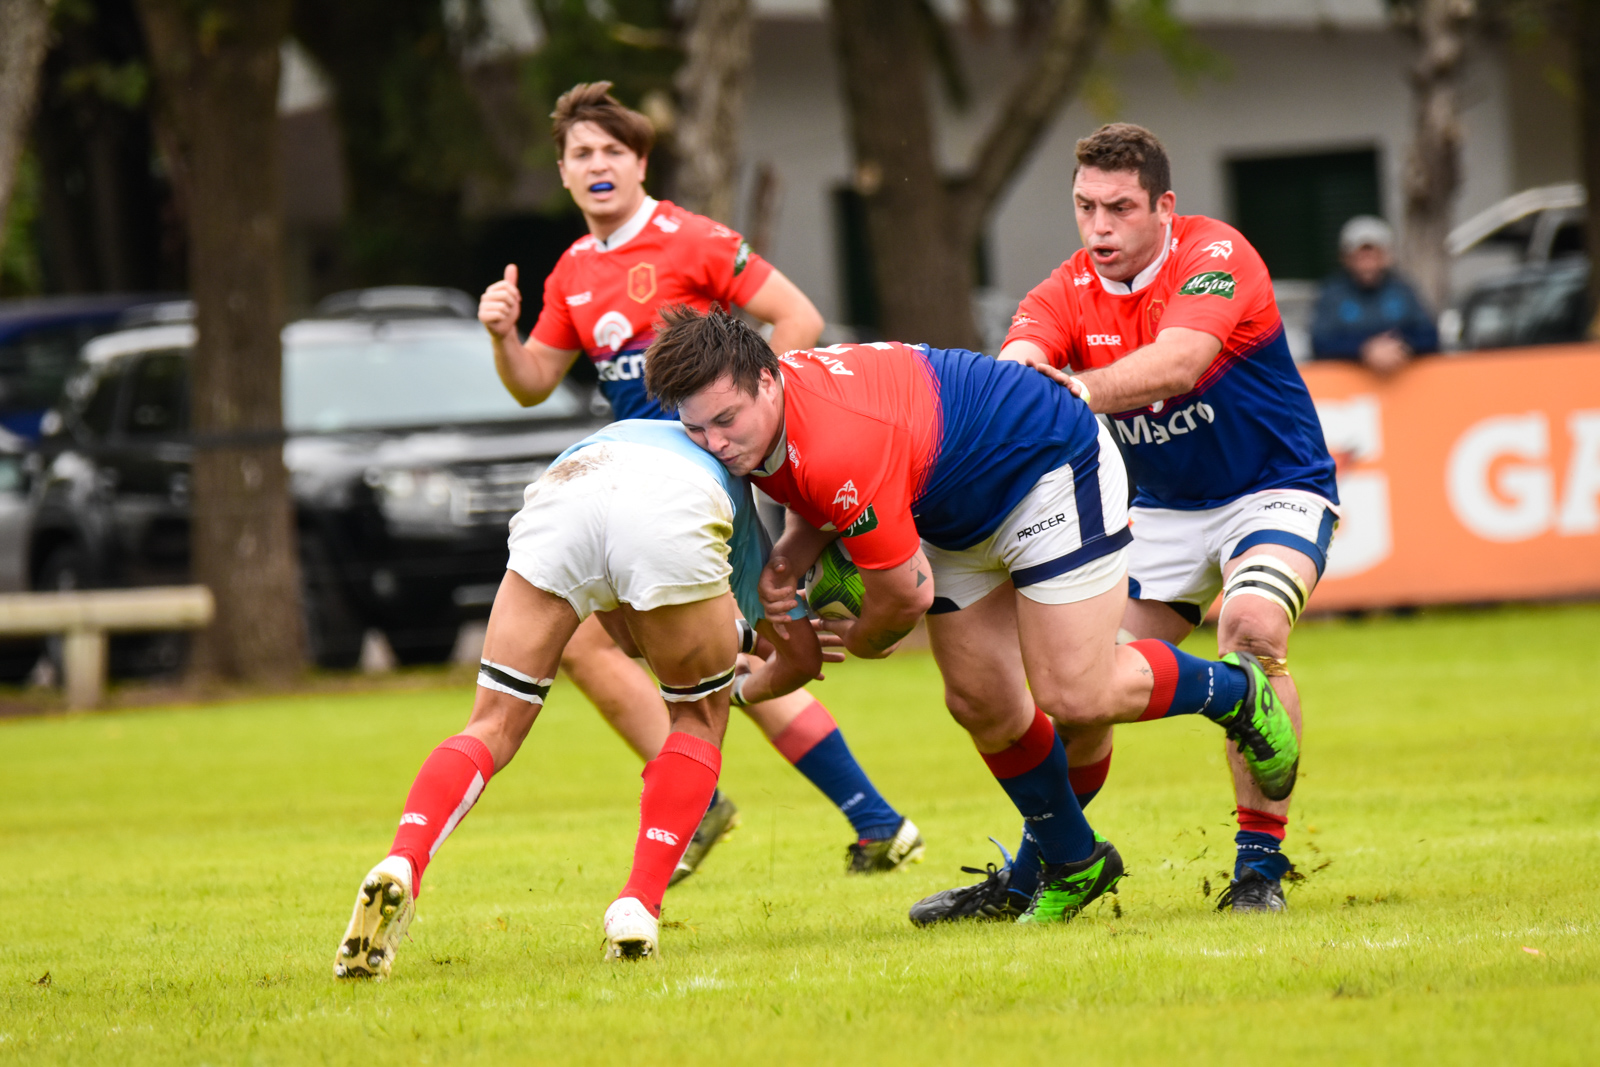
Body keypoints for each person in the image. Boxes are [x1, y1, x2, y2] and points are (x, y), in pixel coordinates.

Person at [642, 306, 1298, 926]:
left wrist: (863, 639)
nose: (714, 443)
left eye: (725, 420)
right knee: (980, 702)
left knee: (1076, 693)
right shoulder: (766, 417)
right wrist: (790, 555)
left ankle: (1237, 692)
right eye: (695, 429)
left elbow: (903, 596)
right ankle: (1074, 863)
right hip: (952, 502)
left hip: (1048, 464)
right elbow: (814, 487)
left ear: (767, 379)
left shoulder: (837, 441)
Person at [477, 82, 921, 880]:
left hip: (696, 481)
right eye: (582, 153)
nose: (599, 164)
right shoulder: (574, 270)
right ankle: (864, 816)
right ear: (563, 172)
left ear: (641, 163)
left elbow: (799, 318)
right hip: (636, 484)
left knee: (683, 643)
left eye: (614, 150)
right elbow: (534, 379)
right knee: (710, 645)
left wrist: (752, 428)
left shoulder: (690, 239)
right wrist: (504, 335)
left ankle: (720, 800)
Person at [335, 418, 832, 975]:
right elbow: (799, 656)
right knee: (697, 718)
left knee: (492, 723)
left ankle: (403, 859)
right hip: (670, 506)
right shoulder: (732, 477)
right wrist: (743, 680)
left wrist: (724, 639)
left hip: (567, 489)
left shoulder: (625, 431)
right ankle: (638, 904)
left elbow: (626, 634)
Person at [994, 123, 1339, 913]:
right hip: (1159, 512)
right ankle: (1041, 871)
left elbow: (1180, 361)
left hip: (1273, 487)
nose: (1099, 227)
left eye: (1119, 208)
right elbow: (1018, 371)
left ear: (1164, 207)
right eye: (1085, 207)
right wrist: (1020, 388)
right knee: (1077, 691)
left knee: (1252, 627)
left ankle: (1259, 870)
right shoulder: (1062, 290)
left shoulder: (1216, 255)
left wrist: (1075, 390)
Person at [1310, 215, 1438, 372]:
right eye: (1360, 257)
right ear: (1346, 259)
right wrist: (1364, 348)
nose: (1367, 264)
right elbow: (1320, 342)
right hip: (1346, 384)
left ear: (1386, 257)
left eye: (1373, 256)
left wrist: (1401, 344)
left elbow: (1429, 335)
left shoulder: (1402, 289)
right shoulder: (1332, 294)